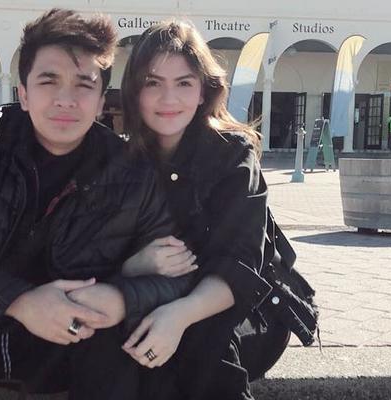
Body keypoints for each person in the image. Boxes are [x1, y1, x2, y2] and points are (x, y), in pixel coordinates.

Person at [0, 9, 192, 400]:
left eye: (84, 84)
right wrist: (19, 300)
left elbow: (176, 275)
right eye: (49, 81)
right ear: (24, 94)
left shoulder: (132, 171)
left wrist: (120, 298)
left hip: (66, 341)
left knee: (113, 331)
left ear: (101, 101)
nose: (66, 99)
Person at [118, 20, 276, 399]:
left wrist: (179, 315)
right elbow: (90, 253)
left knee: (199, 343)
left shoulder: (231, 155)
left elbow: (240, 264)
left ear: (203, 90)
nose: (168, 99)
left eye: (184, 83)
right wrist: (136, 264)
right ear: (135, 91)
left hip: (234, 314)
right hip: (150, 302)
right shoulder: (121, 160)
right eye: (153, 83)